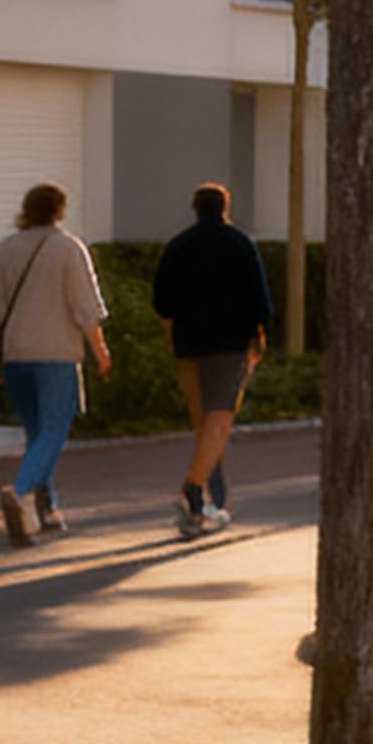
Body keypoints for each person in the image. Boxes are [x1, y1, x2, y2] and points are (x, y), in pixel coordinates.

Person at [0, 183, 110, 546]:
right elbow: (86, 309)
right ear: (60, 210)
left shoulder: (8, 248)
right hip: (57, 355)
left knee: (37, 433)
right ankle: (20, 493)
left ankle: (47, 506)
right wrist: (100, 352)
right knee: (54, 429)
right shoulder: (69, 248)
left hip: (17, 356)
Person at [148, 181, 275, 540]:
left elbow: (162, 301)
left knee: (203, 424)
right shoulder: (240, 243)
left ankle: (213, 501)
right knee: (220, 419)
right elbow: (260, 298)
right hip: (230, 343)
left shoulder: (179, 245)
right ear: (225, 207)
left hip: (188, 344)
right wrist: (259, 335)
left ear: (195, 208)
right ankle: (195, 488)